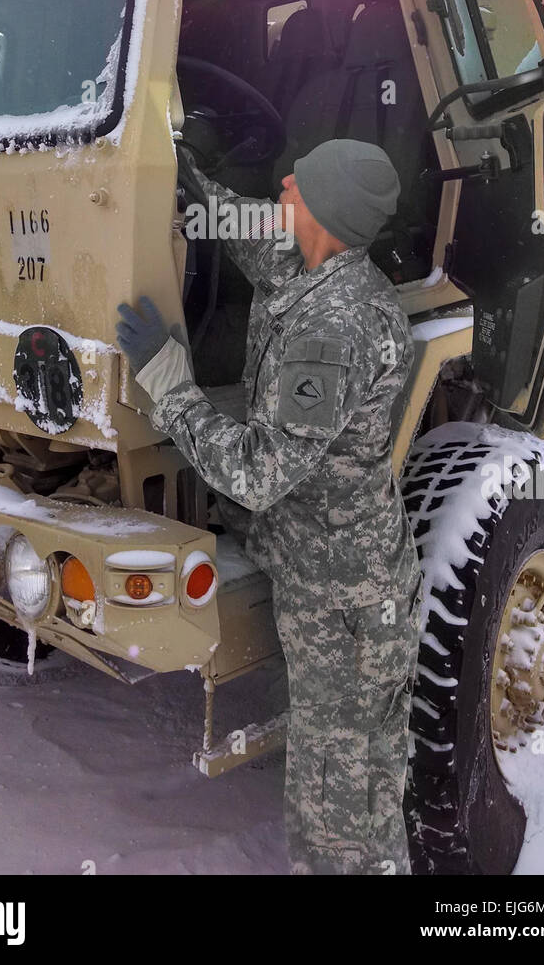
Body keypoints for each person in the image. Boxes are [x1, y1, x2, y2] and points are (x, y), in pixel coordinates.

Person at [116, 138, 422, 875]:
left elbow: (257, 474)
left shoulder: (335, 328)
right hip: (337, 585)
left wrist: (169, 381)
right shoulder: (307, 260)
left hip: (346, 606)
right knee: (362, 789)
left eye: (300, 182)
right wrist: (189, 171)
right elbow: (246, 225)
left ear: (323, 213)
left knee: (336, 819)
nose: (283, 179)